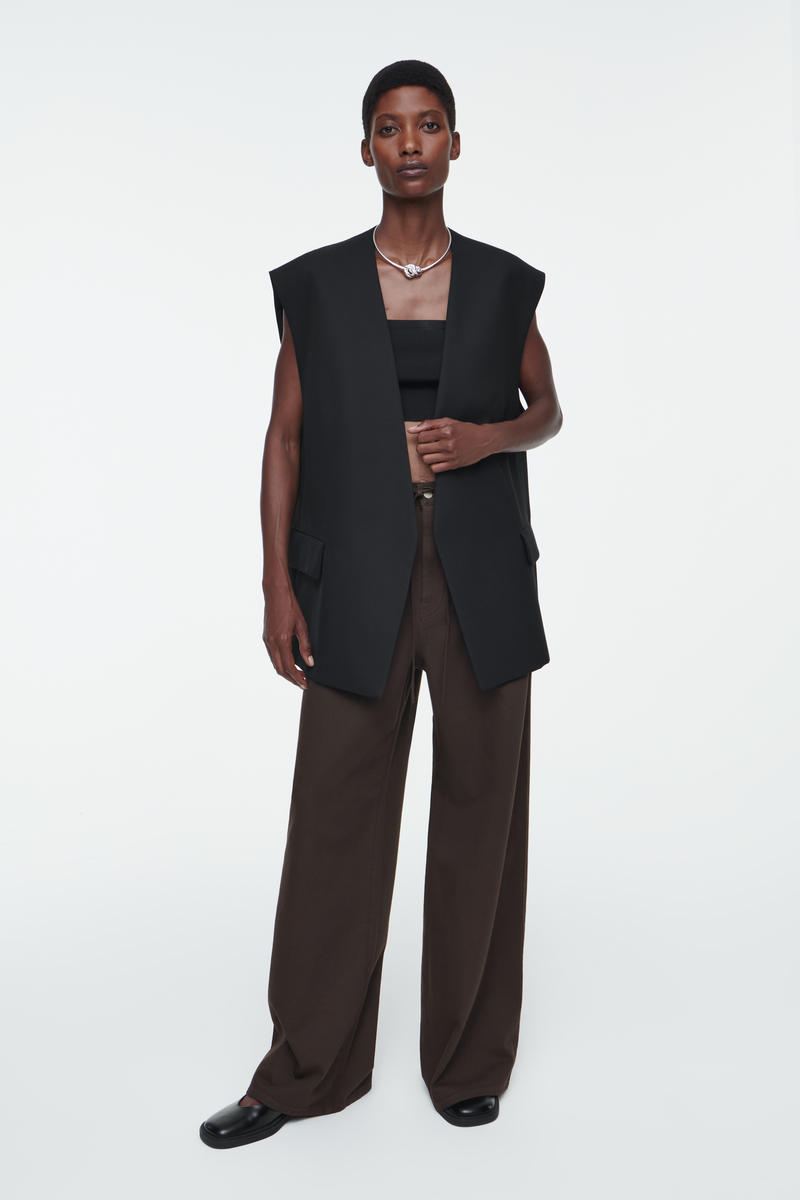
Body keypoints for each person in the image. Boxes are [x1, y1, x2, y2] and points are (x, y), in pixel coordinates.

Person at [199, 58, 562, 1148]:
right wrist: (277, 585)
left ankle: (467, 1063)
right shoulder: (317, 284)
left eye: (429, 124)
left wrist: (486, 438)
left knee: (481, 813)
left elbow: (547, 409)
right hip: (353, 576)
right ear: (365, 148)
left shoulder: (503, 282)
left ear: (455, 143)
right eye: (391, 127)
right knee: (334, 818)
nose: (411, 143)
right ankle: (305, 1069)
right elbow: (285, 438)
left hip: (480, 572)